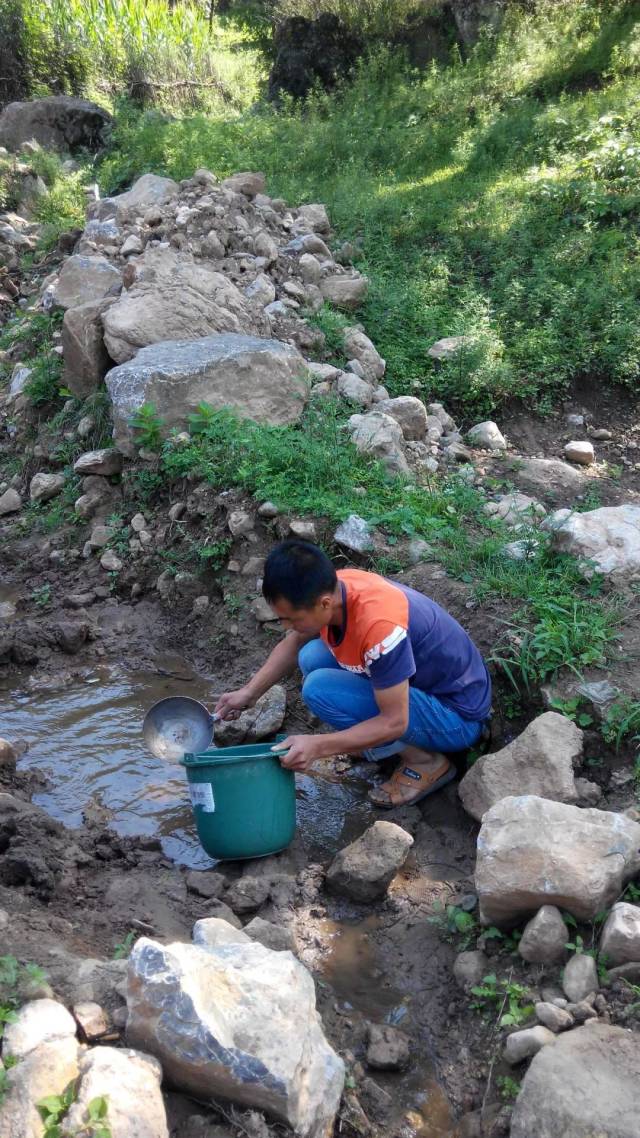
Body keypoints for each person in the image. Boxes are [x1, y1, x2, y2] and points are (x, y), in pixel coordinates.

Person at [215, 540, 491, 808]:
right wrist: (249, 693)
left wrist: (318, 746)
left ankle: (426, 762)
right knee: (311, 657)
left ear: (323, 603)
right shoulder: (337, 589)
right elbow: (294, 642)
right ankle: (381, 746)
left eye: (292, 618)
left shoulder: (379, 628)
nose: (287, 626)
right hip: (420, 688)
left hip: (455, 717)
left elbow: (394, 722)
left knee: (319, 689)